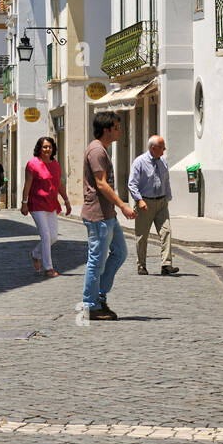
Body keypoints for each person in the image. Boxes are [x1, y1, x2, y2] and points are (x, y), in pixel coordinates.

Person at [81, 111, 136, 320]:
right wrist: (123, 205)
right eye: (117, 127)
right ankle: (90, 305)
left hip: (107, 214)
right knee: (96, 261)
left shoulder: (102, 149)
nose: (120, 130)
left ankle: (99, 296)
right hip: (98, 214)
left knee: (120, 252)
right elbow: (101, 183)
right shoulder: (97, 151)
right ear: (107, 130)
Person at [21, 136, 71, 276]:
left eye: (49, 146)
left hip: (51, 204)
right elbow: (27, 185)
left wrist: (66, 201)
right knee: (46, 235)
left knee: (54, 236)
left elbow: (59, 184)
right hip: (36, 204)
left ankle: (35, 254)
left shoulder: (55, 164)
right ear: (39, 148)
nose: (47, 149)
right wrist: (24, 203)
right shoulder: (33, 164)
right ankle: (48, 268)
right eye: (44, 147)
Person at [129, 134, 179, 275]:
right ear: (153, 148)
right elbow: (132, 184)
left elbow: (166, 180)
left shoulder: (163, 161)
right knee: (142, 236)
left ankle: (166, 264)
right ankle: (141, 265)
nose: (164, 150)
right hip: (145, 202)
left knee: (166, 232)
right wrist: (139, 200)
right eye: (162, 148)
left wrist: (167, 199)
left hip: (161, 202)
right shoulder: (139, 162)